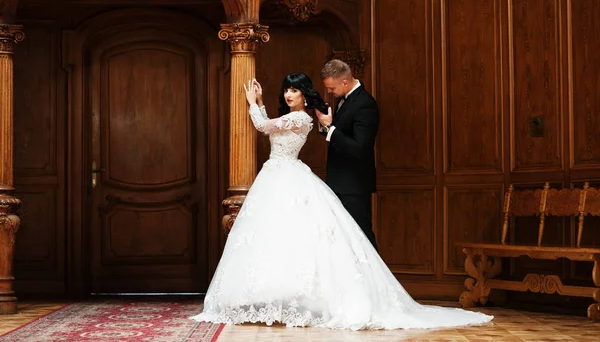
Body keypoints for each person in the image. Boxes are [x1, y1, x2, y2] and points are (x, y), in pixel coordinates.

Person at [190, 72, 493, 330]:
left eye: (294, 89)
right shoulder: (289, 116)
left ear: (305, 95)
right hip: (274, 175)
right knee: (276, 238)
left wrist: (255, 104)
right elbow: (270, 126)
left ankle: (300, 303)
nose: (289, 93)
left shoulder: (301, 119)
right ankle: (276, 300)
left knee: (298, 237)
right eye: (287, 89)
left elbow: (263, 126)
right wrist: (260, 104)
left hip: (288, 175)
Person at [315, 59, 379, 250]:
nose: (329, 92)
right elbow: (340, 135)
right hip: (339, 181)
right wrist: (325, 124)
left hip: (354, 185)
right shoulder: (344, 99)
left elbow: (360, 148)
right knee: (343, 237)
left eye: (331, 88)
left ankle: (375, 279)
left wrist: (329, 127)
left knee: (361, 235)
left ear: (345, 81)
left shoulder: (365, 103)